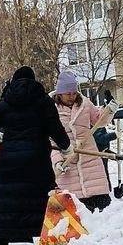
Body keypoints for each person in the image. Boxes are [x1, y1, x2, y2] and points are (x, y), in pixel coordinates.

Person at [0, 66, 70, 245]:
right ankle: (44, 237)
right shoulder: (43, 100)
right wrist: (65, 145)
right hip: (36, 159)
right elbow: (56, 128)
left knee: (7, 202)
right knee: (39, 199)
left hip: (9, 160)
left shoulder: (5, 101)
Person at [51, 72, 112, 213]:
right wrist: (57, 161)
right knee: (73, 208)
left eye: (74, 93)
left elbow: (98, 121)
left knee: (100, 206)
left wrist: (108, 111)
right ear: (59, 93)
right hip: (67, 159)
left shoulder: (84, 103)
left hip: (89, 156)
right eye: (68, 94)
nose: (72, 96)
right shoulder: (50, 109)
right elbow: (50, 140)